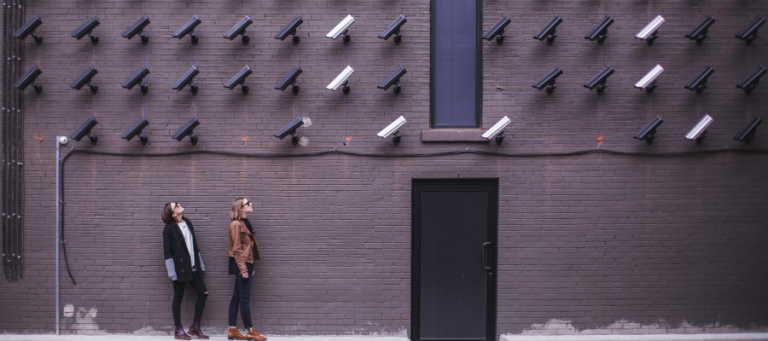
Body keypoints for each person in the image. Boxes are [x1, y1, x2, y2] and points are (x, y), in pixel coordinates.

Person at [162, 202, 209, 340]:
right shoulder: (168, 229)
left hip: (193, 266)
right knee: (178, 297)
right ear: (173, 214)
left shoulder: (187, 222)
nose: (179, 205)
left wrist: (200, 264)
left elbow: (194, 245)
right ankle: (178, 330)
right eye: (176, 205)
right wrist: (172, 273)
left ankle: (195, 326)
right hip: (179, 269)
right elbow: (167, 252)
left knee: (203, 293)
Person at [226, 198, 266, 341]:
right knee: (245, 299)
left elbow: (249, 247)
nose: (251, 204)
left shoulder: (244, 222)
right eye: (247, 203)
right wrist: (244, 269)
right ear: (241, 208)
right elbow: (237, 249)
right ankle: (250, 330)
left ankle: (232, 329)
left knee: (237, 297)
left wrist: (251, 265)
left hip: (245, 263)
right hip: (241, 264)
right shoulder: (236, 224)